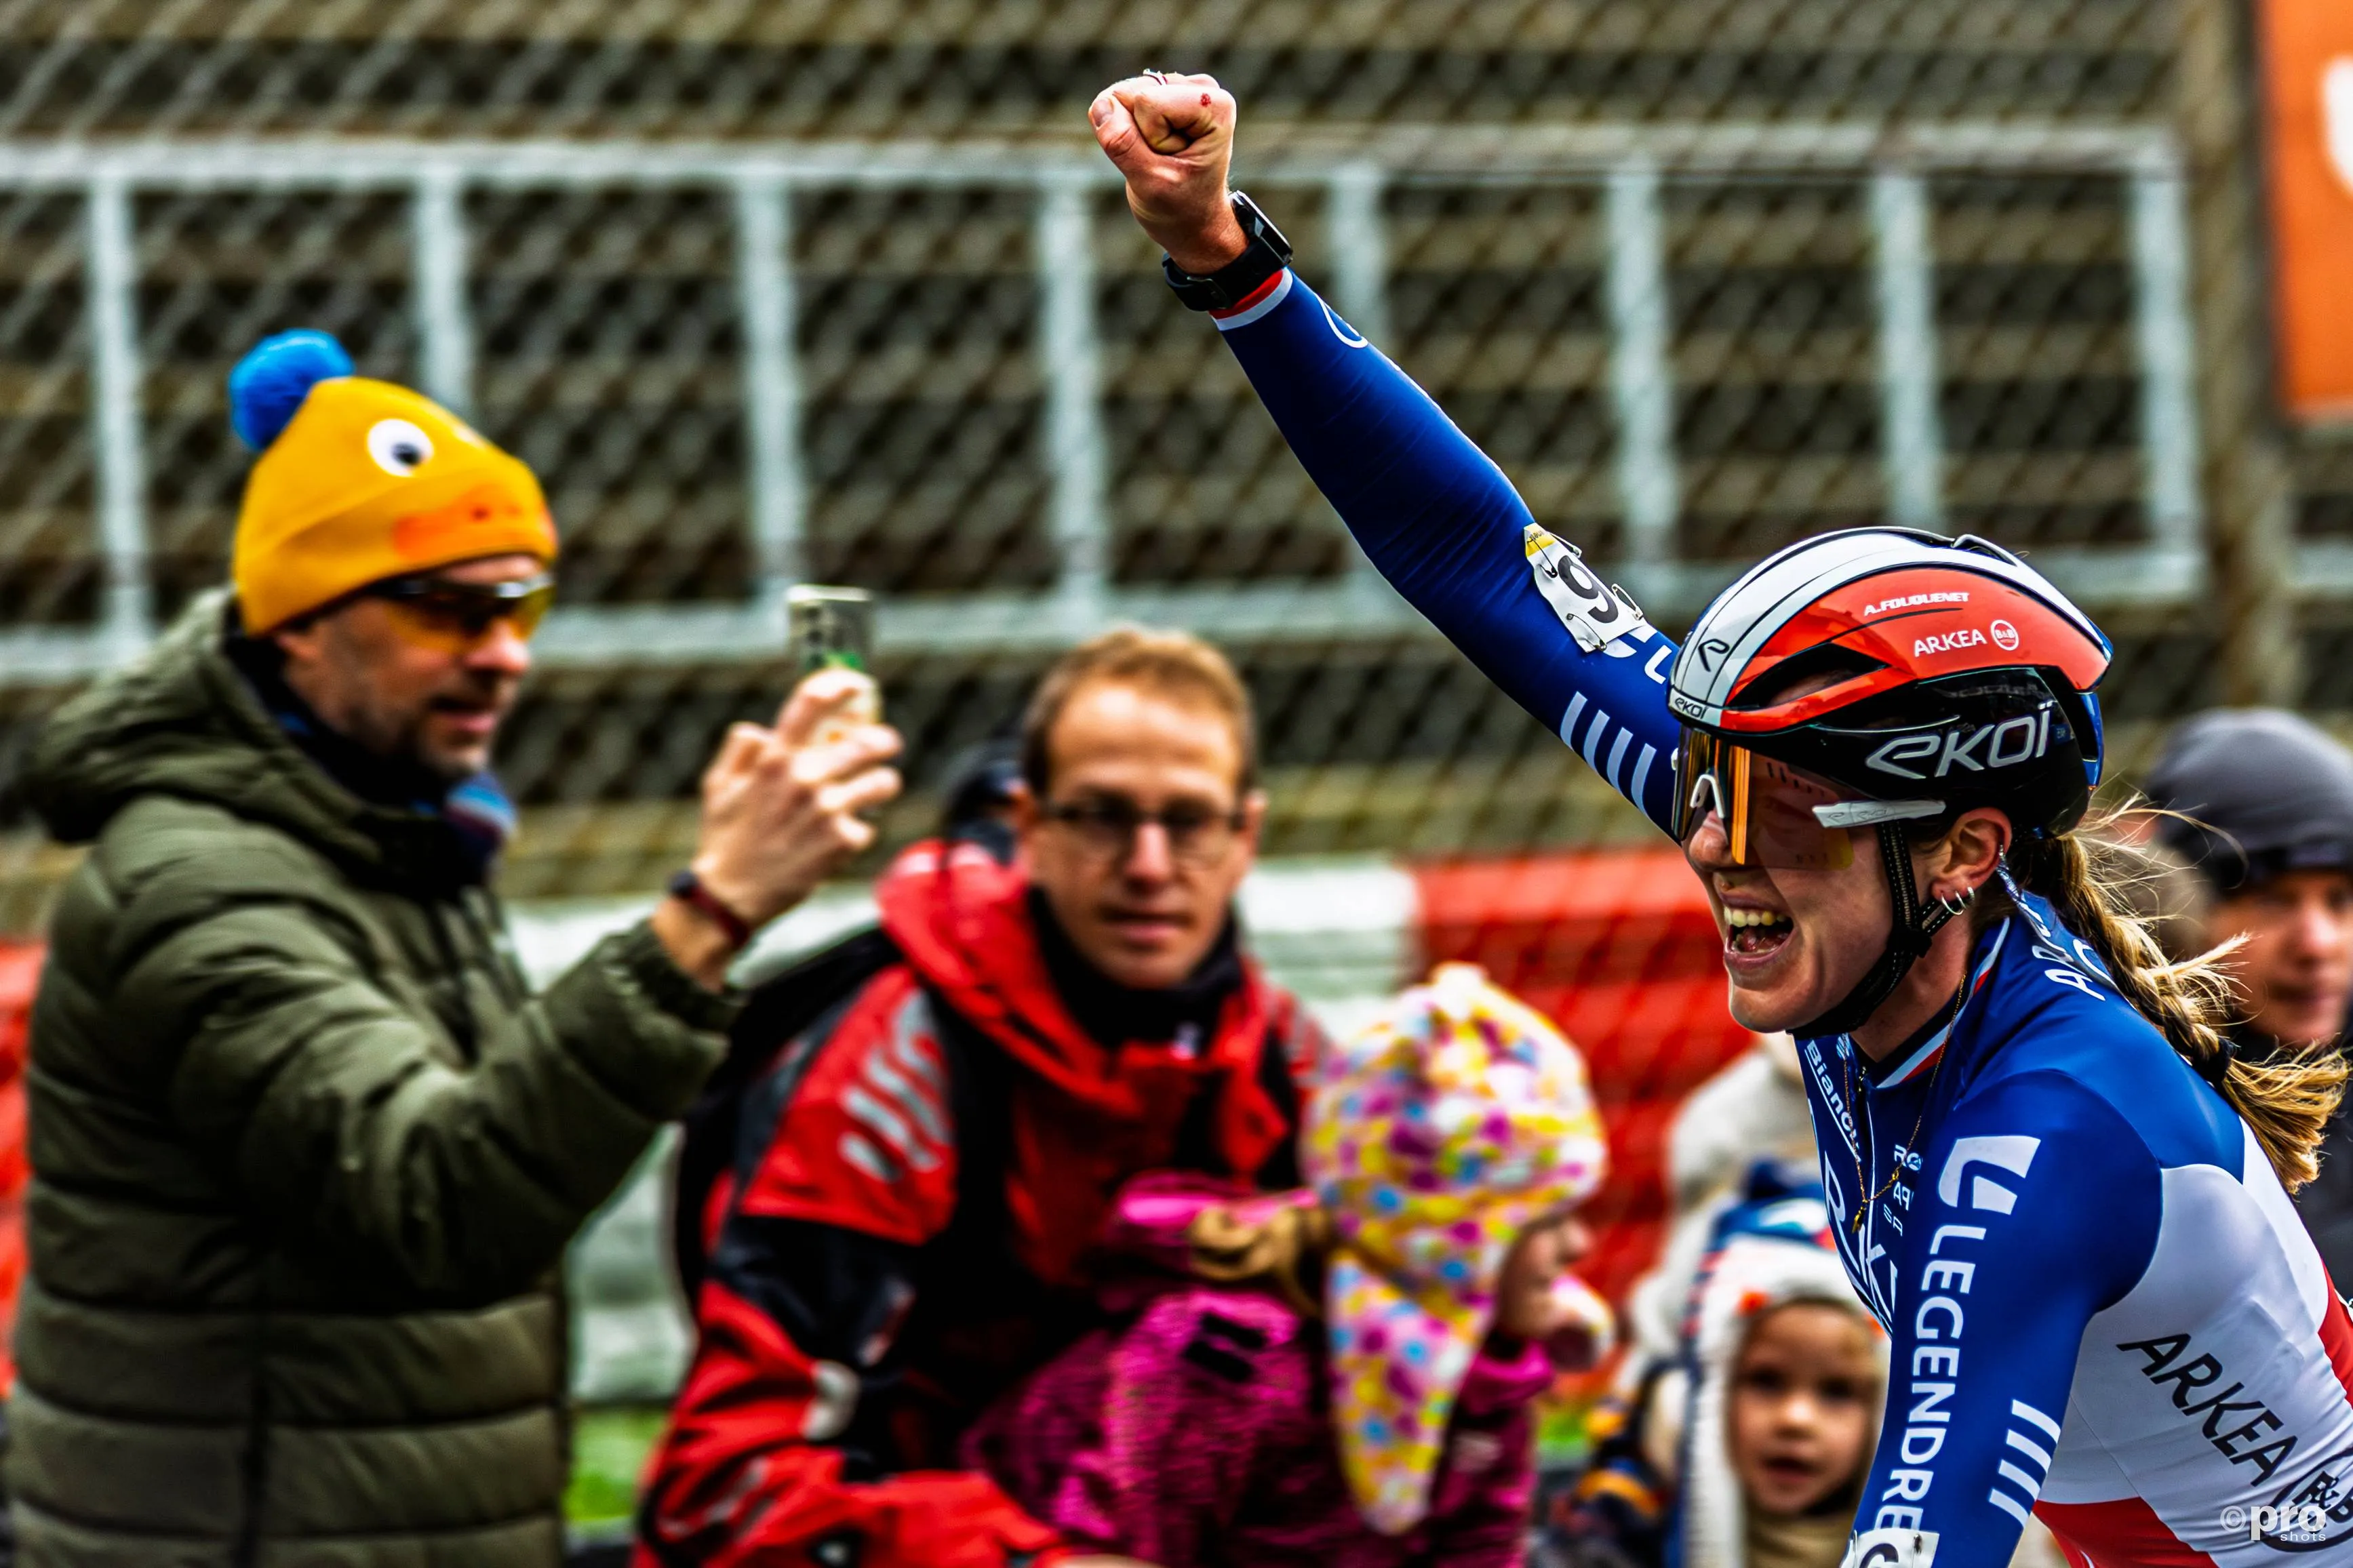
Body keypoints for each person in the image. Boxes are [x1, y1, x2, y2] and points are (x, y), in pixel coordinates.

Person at [1091, 75, 2353, 1565]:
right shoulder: (1856, 889)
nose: (1707, 842)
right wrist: (1233, 265)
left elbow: (1919, 1534)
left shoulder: (2042, 1129)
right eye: (1711, 788)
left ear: (1962, 850)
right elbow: (1480, 562)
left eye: (1770, 806)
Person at [6, 331, 901, 1567]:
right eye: (447, 607)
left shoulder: (388, 829)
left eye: (520, 601)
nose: (506, 652)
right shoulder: (196, 884)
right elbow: (436, 1200)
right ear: (300, 626)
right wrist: (714, 909)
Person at [637, 627, 1321, 1568]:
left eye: (1189, 822)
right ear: (1029, 825)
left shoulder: (1283, 1058)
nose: (1150, 865)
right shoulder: (893, 1068)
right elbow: (719, 1494)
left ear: (1245, 836)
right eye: (1103, 817)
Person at [960, 961, 1611, 1566]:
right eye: (1545, 1219)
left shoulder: (1491, 1369)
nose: (1578, 1245)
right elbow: (1102, 1559)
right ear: (1441, 1233)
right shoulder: (1224, 1359)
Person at [1558, 1169, 1882, 1568]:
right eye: (1766, 1381)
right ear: (1711, 1388)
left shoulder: (1933, 1538)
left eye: (1837, 1392)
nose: (1796, 1419)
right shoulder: (1616, 1528)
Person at [2146, 709, 2353, 1279]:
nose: (2317, 943)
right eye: (2272, 901)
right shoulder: (2139, 1096)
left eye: (2338, 899)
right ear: (2182, 906)